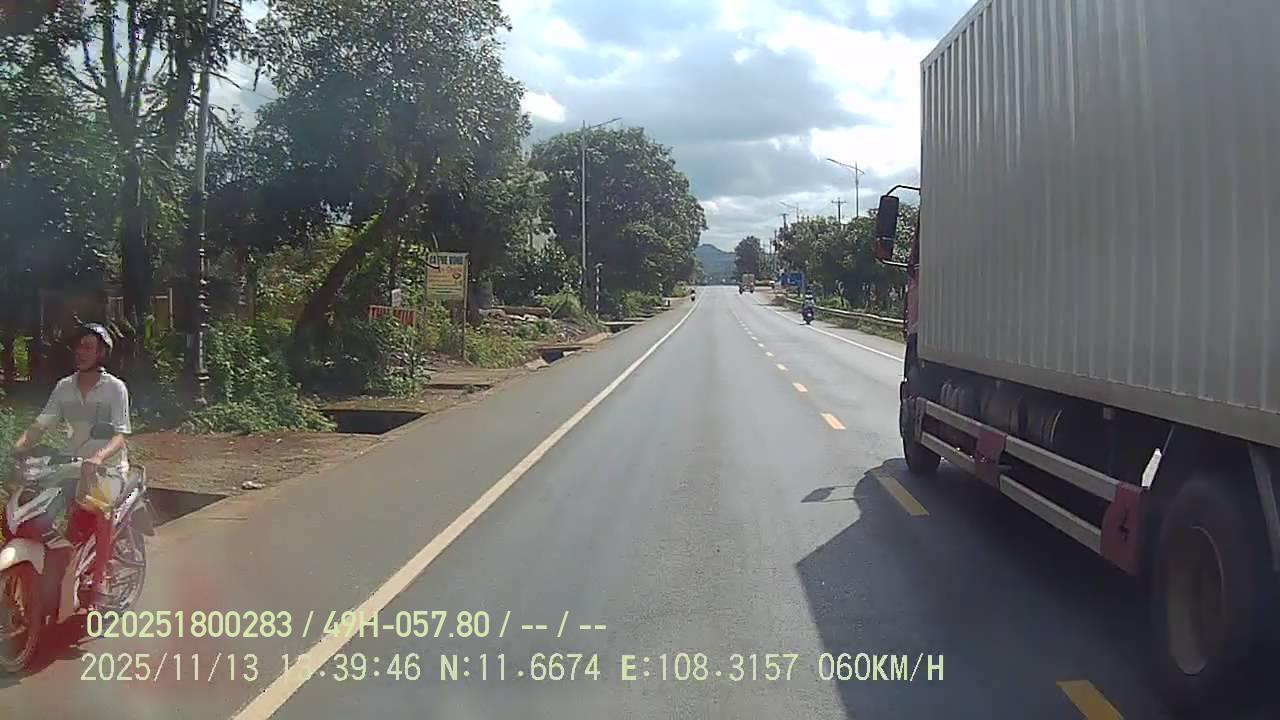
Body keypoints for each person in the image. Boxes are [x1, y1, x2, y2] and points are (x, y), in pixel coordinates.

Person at [11, 322, 131, 607]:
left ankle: (100, 578)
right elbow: (40, 425)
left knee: (101, 510)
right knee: (33, 506)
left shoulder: (115, 388)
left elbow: (120, 435)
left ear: (102, 353)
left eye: (88, 347)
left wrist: (98, 457)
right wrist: (17, 447)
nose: (81, 352)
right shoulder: (64, 387)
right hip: (71, 464)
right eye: (79, 346)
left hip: (107, 468)